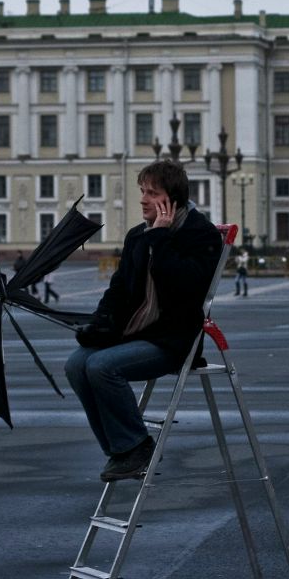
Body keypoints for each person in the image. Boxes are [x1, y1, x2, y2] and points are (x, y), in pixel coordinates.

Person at [65, 159, 222, 482]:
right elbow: (119, 289)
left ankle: (137, 446)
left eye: (152, 193)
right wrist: (99, 323)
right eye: (142, 191)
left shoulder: (200, 234)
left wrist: (161, 238)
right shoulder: (138, 235)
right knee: (76, 364)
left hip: (173, 340)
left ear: (172, 200)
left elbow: (185, 287)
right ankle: (122, 450)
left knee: (101, 367)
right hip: (136, 334)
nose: (143, 199)